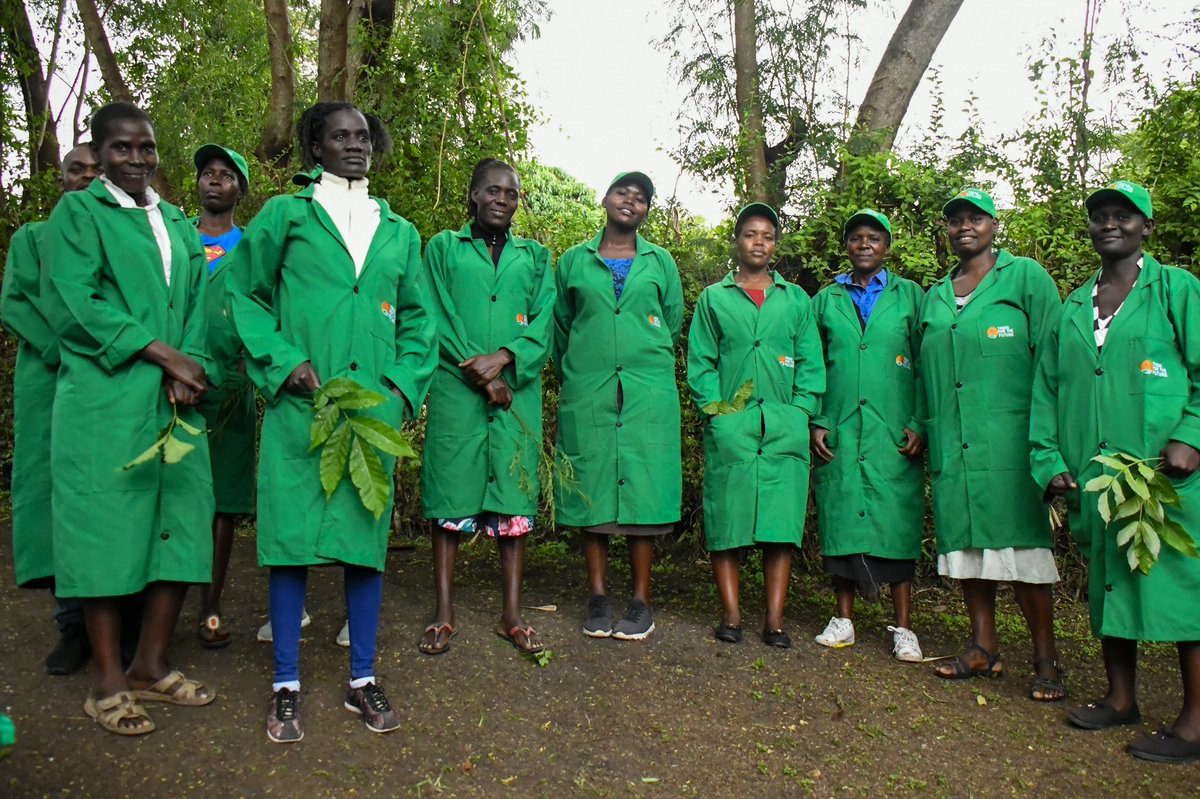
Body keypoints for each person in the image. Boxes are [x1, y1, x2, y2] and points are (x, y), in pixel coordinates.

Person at [225, 101, 436, 742]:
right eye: (339, 135)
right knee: (290, 542)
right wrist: (282, 362)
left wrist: (398, 390)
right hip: (301, 407)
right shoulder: (286, 216)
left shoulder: (398, 231)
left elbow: (421, 321)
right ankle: (285, 683)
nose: (354, 144)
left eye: (362, 136)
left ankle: (362, 679)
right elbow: (243, 293)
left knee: (364, 542)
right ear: (315, 147)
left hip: (370, 415)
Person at [41, 101, 217, 735]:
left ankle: (151, 664)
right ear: (101, 152)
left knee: (179, 522)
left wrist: (189, 365)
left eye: (145, 147)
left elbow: (197, 302)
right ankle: (108, 680)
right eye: (121, 149)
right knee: (106, 530)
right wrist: (164, 354)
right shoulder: (79, 213)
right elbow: (74, 302)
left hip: (175, 401)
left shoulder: (175, 221)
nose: (136, 159)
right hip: (105, 400)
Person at [1031, 181, 1200, 763]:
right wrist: (1050, 461)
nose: (1110, 224)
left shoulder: (1176, 290)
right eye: (1100, 215)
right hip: (1099, 480)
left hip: (1167, 477)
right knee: (1109, 580)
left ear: (1146, 227)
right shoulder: (1073, 306)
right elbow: (1046, 393)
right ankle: (1120, 697)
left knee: (1183, 589)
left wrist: (1190, 437)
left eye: (1123, 216)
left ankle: (1195, 722)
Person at [917, 188, 1065, 701]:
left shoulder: (1025, 277)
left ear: (994, 224)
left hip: (1011, 441)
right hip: (954, 442)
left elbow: (1055, 359)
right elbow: (924, 374)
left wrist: (1052, 439)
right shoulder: (936, 294)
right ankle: (983, 647)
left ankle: (1046, 658)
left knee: (1023, 549)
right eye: (955, 219)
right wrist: (923, 423)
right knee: (968, 546)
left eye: (975, 218)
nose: (964, 226)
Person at [419, 158, 555, 655]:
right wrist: (478, 373)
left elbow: (544, 320)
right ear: (474, 195)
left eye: (512, 194)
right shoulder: (443, 248)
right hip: (458, 389)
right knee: (451, 496)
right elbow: (434, 312)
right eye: (493, 191)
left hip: (516, 391)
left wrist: (505, 359)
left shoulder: (536, 257)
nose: (503, 199)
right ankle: (444, 609)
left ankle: (512, 615)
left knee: (513, 501)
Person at [553, 171, 684, 641]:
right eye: (623, 193)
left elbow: (669, 322)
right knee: (592, 489)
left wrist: (634, 356)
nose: (632, 201)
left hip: (647, 394)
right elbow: (562, 329)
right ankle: (598, 597)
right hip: (590, 391)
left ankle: (640, 602)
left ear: (648, 210)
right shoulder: (574, 261)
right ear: (605, 199)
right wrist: (591, 366)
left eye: (642, 197)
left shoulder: (660, 262)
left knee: (643, 497)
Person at [686, 203, 823, 648]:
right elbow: (702, 362)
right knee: (728, 521)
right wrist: (717, 412)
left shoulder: (796, 300)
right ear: (738, 240)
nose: (758, 242)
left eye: (766, 235)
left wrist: (800, 412)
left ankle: (775, 621)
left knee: (780, 527)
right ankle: (731, 614)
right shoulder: (715, 298)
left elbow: (810, 363)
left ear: (775, 244)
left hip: (783, 426)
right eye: (750, 234)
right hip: (734, 427)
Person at [1, 143, 100, 675]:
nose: (85, 177)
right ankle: (71, 626)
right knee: (56, 498)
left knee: (106, 499)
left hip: (109, 387)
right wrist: (68, 351)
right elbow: (15, 302)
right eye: (75, 170)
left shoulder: (119, 237)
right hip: (51, 379)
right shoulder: (33, 238)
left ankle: (119, 623)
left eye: (94, 170)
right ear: (59, 179)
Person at [810, 209, 926, 661]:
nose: (864, 244)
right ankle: (844, 620)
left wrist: (920, 421)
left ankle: (903, 627)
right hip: (840, 426)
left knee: (896, 521)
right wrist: (817, 417)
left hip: (892, 430)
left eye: (873, 238)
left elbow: (928, 364)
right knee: (840, 518)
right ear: (847, 245)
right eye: (856, 237)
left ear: (887, 246)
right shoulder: (825, 300)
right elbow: (812, 362)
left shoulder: (911, 297)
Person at [192, 143, 253, 648]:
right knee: (168, 490)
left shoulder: (253, 248)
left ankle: (210, 606)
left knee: (222, 502)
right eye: (208, 173)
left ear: (241, 190)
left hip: (231, 389)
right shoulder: (173, 241)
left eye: (226, 175)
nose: (215, 181)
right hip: (175, 383)